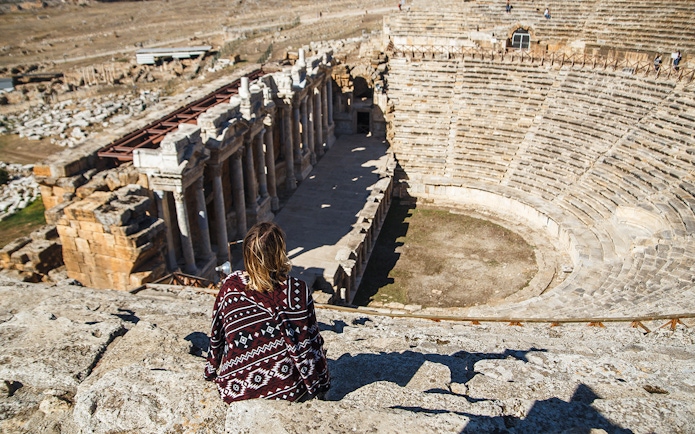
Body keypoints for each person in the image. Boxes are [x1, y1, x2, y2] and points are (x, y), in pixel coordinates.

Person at [204, 222, 330, 403]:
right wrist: (323, 382)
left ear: (247, 254)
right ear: (280, 253)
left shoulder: (230, 287)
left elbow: (216, 336)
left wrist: (210, 370)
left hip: (237, 389)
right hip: (287, 390)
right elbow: (312, 342)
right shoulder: (296, 290)